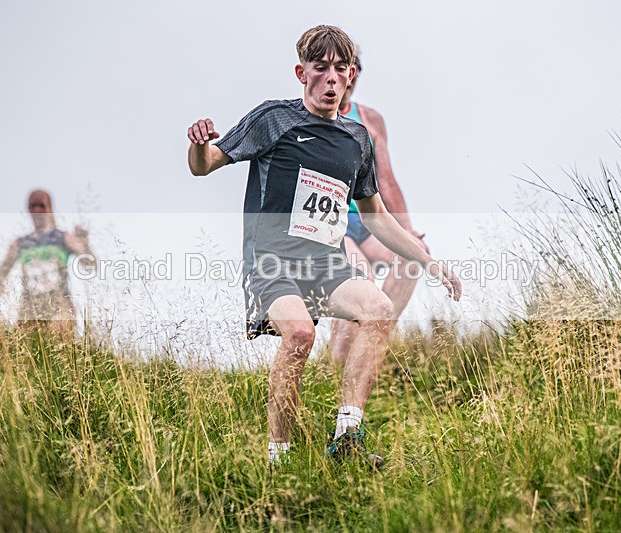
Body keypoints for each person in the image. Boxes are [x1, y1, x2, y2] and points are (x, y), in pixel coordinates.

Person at [186, 25, 461, 467]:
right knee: (300, 334)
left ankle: (347, 438)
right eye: (321, 69)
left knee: (377, 310)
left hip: (326, 263)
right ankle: (279, 459)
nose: (332, 78)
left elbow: (375, 215)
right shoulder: (274, 118)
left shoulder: (357, 142)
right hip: (272, 263)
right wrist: (199, 146)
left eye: (341, 69)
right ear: (302, 72)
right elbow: (206, 166)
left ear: (351, 74)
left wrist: (427, 261)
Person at [330, 51, 428, 366]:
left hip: (370, 220)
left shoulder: (371, 120)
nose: (348, 77)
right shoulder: (314, 115)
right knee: (361, 277)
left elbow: (386, 178)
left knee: (413, 256)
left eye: (353, 70)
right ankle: (335, 368)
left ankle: (375, 343)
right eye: (342, 68)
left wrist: (407, 230)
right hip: (335, 224)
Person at [0, 189, 95, 336]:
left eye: (41, 206)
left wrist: (84, 241)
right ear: (28, 209)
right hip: (29, 308)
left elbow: (89, 263)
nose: (37, 211)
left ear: (49, 208)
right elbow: (2, 270)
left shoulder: (63, 238)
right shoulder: (21, 243)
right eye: (33, 206)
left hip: (60, 305)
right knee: (28, 352)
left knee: (58, 345)